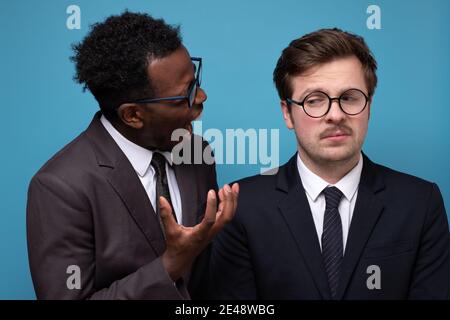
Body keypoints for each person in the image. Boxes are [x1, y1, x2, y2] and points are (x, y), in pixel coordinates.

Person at [209, 28, 450, 299]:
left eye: (349, 97)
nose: (335, 115)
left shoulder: (420, 202)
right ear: (287, 113)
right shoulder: (239, 205)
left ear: (369, 105)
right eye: (315, 100)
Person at [26, 11, 238, 299]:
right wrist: (170, 264)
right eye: (185, 94)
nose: (201, 97)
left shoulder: (196, 153)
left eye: (195, 81)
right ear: (133, 115)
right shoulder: (60, 187)